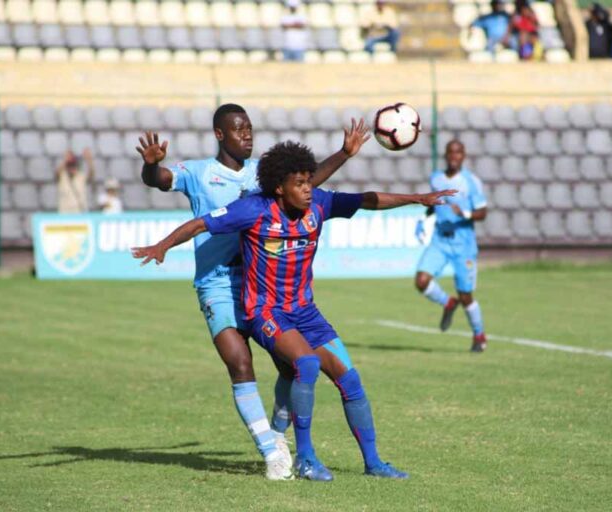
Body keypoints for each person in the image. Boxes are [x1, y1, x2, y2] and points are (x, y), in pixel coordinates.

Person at [132, 141, 455, 480]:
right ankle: (305, 457)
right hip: (265, 312)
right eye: (300, 184)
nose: (308, 189)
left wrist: (417, 199)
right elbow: (200, 224)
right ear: (278, 188)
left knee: (351, 379)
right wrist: (162, 246)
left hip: (305, 311)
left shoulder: (320, 204)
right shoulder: (254, 209)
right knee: (306, 363)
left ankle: (373, 462)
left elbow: (367, 200)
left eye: (309, 181)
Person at [135, 105, 369, 480]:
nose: (247, 134)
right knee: (240, 364)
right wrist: (150, 166)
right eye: (239, 128)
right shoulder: (197, 172)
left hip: (261, 286)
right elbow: (159, 179)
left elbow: (307, 183)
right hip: (217, 284)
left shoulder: (264, 173)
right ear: (219, 134)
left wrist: (343, 154)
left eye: (250, 128)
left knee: (293, 367)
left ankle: (277, 428)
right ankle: (272, 453)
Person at [414, 140, 489, 352]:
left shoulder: (471, 181)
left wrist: (465, 214)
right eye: (451, 152)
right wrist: (423, 218)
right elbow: (433, 205)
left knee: (466, 295)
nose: (455, 156)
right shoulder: (436, 179)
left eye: (459, 153)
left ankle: (479, 335)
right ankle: (447, 303)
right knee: (421, 280)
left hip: (463, 245)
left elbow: (482, 212)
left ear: (463, 156)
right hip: (440, 240)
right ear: (446, 155)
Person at [56, 149, 94, 213]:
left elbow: (91, 174)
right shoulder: (62, 177)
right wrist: (65, 160)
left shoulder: (81, 176)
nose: (72, 168)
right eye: (70, 166)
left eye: (73, 165)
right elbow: (57, 172)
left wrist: (89, 160)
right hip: (65, 212)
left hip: (79, 211)